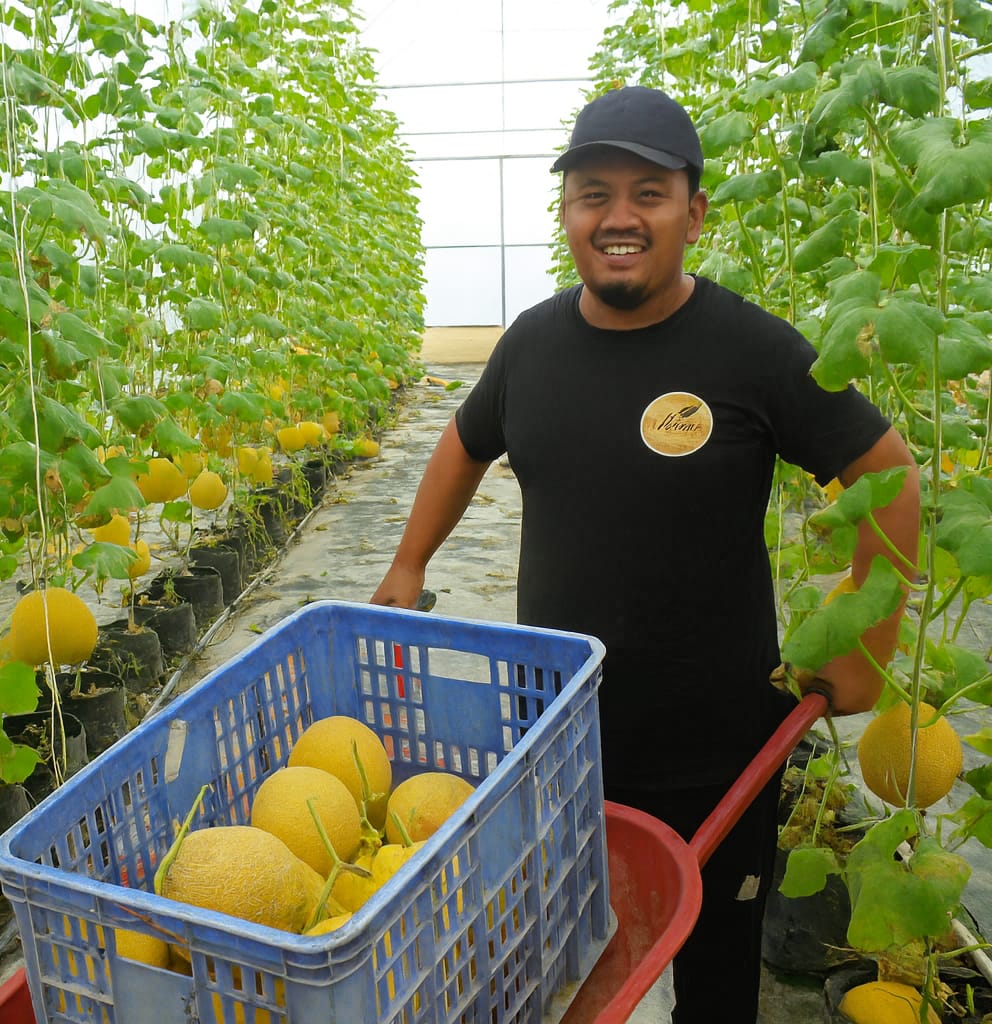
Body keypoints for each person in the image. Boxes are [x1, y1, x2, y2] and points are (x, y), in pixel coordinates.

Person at [371, 86, 920, 1022]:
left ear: (692, 215)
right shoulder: (531, 345)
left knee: (714, 975)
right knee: (563, 958)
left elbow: (890, 475)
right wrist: (409, 563)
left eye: (648, 194)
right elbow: (464, 442)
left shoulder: (751, 349)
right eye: (594, 194)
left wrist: (866, 643)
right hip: (554, 734)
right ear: (567, 214)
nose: (618, 217)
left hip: (718, 749)